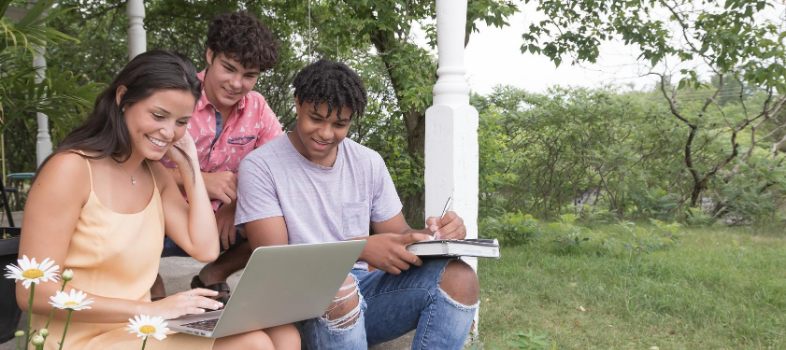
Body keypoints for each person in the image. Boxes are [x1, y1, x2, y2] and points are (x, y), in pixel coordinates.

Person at [16, 50, 299, 350]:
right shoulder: (70, 170)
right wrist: (151, 309)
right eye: (158, 115)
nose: (168, 132)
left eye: (181, 122)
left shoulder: (156, 176)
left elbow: (205, 249)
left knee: (284, 336)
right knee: (254, 344)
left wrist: (189, 163)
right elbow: (33, 292)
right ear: (123, 98)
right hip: (80, 337)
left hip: (140, 327)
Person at [234, 59, 480, 350]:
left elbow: (398, 234)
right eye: (316, 118)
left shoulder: (368, 162)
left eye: (340, 124)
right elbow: (275, 264)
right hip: (296, 306)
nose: (326, 133)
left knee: (461, 277)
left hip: (363, 295)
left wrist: (435, 236)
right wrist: (360, 248)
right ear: (298, 103)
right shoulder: (261, 166)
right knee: (340, 289)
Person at [155, 12, 284, 304]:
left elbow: (276, 166)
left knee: (281, 221)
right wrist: (201, 182)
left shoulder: (258, 108)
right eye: (229, 68)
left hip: (226, 220)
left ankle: (214, 274)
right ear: (210, 54)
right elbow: (135, 163)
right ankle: (150, 283)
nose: (237, 83)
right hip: (165, 212)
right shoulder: (175, 94)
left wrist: (236, 201)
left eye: (249, 75)